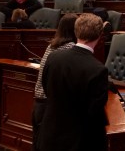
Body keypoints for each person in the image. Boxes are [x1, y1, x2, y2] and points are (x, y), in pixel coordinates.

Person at [37, 13, 108, 151]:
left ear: (76, 32)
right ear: (99, 35)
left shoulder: (54, 57)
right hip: (78, 141)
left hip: (49, 135)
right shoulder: (98, 70)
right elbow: (95, 112)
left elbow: (46, 89)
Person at [32, 14, 78, 151]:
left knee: (37, 144)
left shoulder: (52, 45)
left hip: (39, 103)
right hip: (50, 106)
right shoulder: (70, 48)